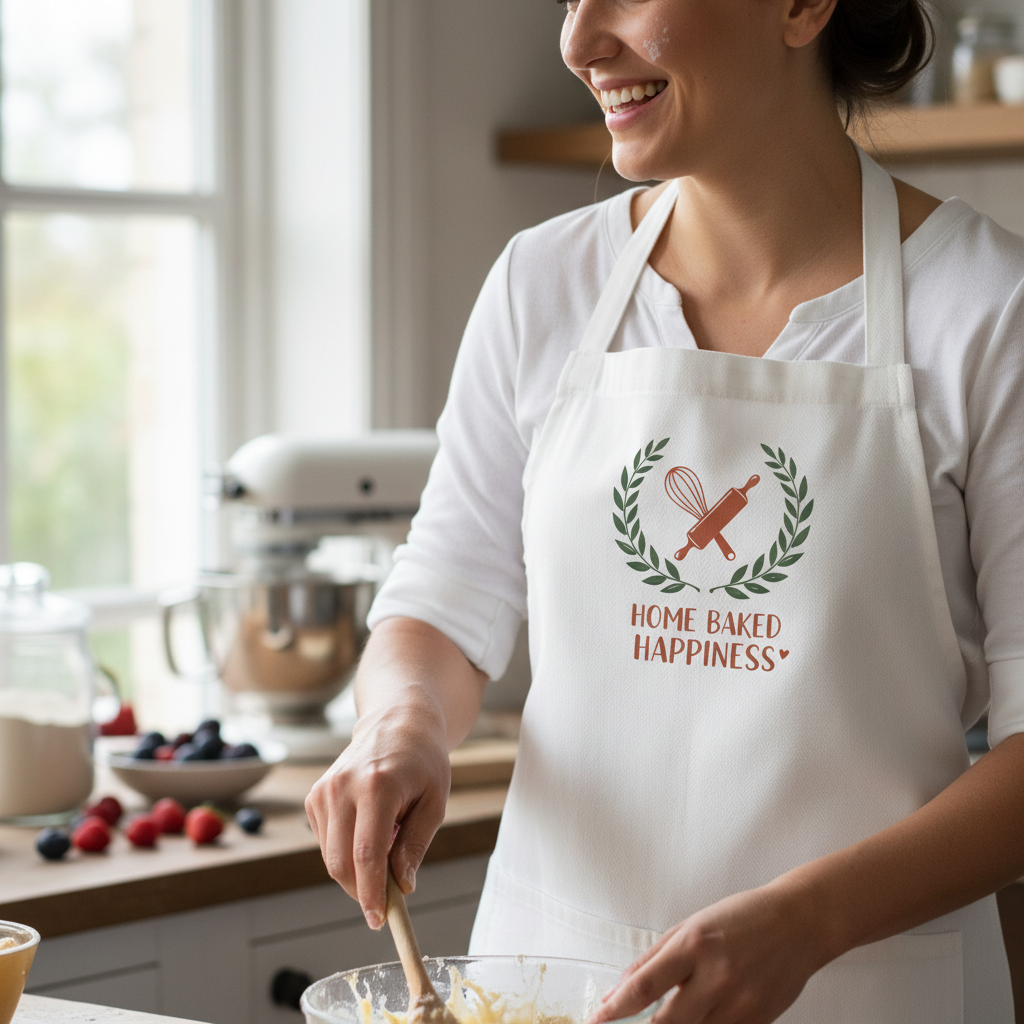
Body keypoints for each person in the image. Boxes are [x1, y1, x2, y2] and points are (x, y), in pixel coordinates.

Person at [305, 0, 1024, 1020]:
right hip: (547, 980)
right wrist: (404, 718)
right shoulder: (540, 283)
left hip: (859, 985)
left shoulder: (989, 311)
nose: (578, 38)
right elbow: (444, 596)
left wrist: (811, 920)